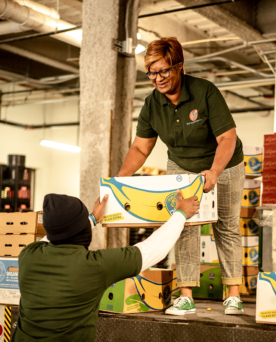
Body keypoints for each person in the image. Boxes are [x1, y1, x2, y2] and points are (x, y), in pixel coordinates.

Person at [117, 37, 245, 315]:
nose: (158, 78)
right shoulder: (152, 104)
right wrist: (120, 180)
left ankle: (233, 294)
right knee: (184, 225)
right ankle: (186, 295)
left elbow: (227, 137)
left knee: (226, 226)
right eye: (152, 72)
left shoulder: (205, 92)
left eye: (164, 70)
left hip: (224, 164)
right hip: (182, 167)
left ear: (179, 67)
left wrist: (214, 171)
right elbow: (141, 147)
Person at [11, 191, 199, 341]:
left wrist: (92, 218)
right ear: (81, 229)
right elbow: (153, 250)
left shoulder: (28, 256)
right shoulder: (94, 266)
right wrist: (181, 214)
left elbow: (55, 234)